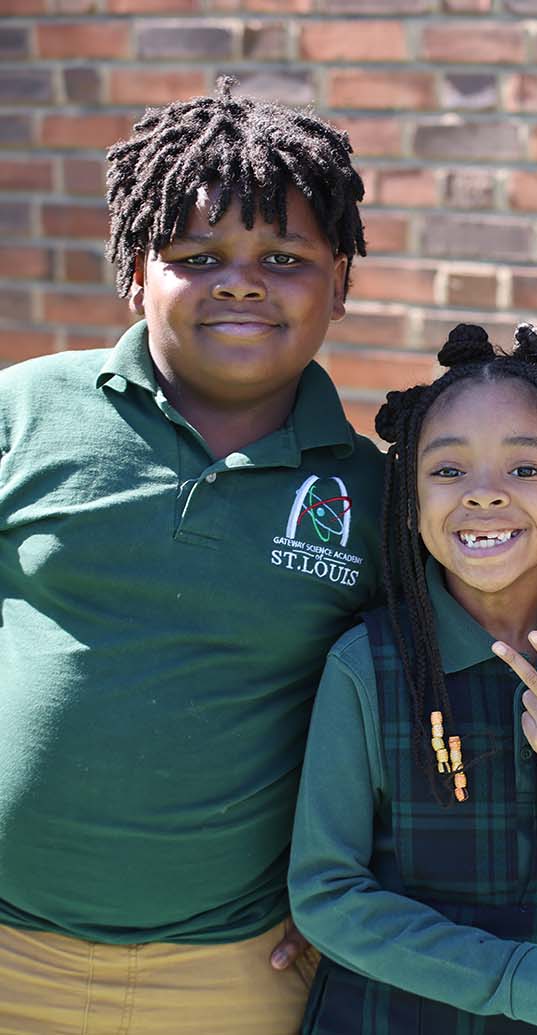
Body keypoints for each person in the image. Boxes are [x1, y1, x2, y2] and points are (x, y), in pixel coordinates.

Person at [0, 78, 383, 1033]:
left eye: (285, 256)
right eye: (197, 255)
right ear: (135, 272)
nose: (241, 280)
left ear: (341, 282)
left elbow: (415, 705)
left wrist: (360, 876)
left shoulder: (377, 493)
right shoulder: (25, 415)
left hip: (235, 969)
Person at [288, 321, 537, 1035]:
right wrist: (512, 977)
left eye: (526, 469)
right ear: (410, 500)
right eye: (447, 470)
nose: (485, 494)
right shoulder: (366, 666)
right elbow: (326, 895)